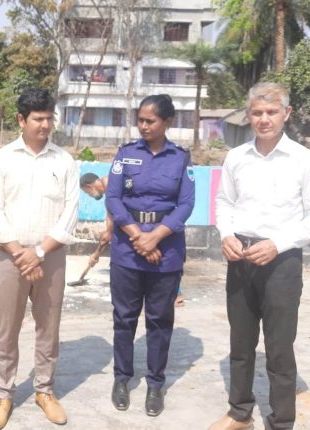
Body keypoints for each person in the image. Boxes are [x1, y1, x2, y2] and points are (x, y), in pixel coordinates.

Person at [210, 82, 310, 430]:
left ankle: (281, 421)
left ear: (286, 114)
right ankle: (240, 412)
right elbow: (224, 202)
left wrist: (278, 243)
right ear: (249, 115)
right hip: (241, 257)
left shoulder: (306, 160)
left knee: (279, 347)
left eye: (271, 112)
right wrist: (226, 234)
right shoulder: (236, 157)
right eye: (257, 113)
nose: (264, 119)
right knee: (241, 341)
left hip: (282, 262)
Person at [0, 88, 78, 430]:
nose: (45, 125)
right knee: (7, 329)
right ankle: (3, 393)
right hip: (11, 258)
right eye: (38, 119)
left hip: (50, 257)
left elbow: (70, 213)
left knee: (48, 328)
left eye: (49, 118)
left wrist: (38, 253)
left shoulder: (64, 161)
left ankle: (45, 390)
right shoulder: (2, 159)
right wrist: (19, 253)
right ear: (21, 120)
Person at [104, 94, 195, 417]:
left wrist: (155, 236)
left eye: (150, 121)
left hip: (166, 250)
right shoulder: (126, 154)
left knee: (159, 320)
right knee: (124, 318)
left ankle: (155, 383)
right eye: (140, 120)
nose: (143, 126)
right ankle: (122, 378)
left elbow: (186, 204)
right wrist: (137, 236)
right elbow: (113, 197)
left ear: (166, 122)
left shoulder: (180, 158)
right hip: (127, 250)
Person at [81, 172, 187, 306]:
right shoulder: (113, 185)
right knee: (158, 260)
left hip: (147, 227)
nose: (90, 196)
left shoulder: (111, 189)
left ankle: (174, 294)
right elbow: (111, 222)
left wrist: (96, 252)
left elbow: (110, 229)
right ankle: (171, 294)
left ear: (89, 187)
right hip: (151, 225)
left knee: (159, 260)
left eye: (87, 193)